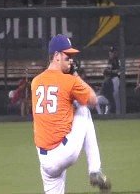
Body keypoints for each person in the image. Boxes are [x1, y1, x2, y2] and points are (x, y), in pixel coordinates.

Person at [31, 34, 111, 194]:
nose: (71, 60)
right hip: (63, 152)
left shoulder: (35, 82)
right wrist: (75, 76)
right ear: (56, 56)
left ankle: (95, 171)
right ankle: (95, 170)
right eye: (67, 56)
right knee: (84, 109)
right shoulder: (69, 81)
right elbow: (93, 100)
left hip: (45, 161)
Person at [108, 46, 121, 114]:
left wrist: (116, 71)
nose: (111, 53)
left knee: (116, 96)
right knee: (114, 96)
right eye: (111, 52)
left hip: (115, 79)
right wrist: (115, 71)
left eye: (112, 52)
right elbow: (109, 71)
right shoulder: (110, 60)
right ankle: (115, 112)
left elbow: (119, 70)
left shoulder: (116, 60)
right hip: (112, 80)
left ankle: (118, 112)